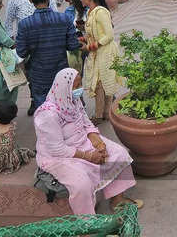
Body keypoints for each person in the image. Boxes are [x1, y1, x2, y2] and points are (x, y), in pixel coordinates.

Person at [34, 68, 141, 215]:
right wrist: (89, 156)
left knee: (119, 154)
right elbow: (56, 149)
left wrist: (97, 142)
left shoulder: (73, 101)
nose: (80, 89)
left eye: (79, 84)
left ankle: (118, 200)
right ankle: (87, 224)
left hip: (82, 141)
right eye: (76, 86)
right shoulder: (47, 114)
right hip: (58, 157)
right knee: (81, 183)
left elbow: (86, 123)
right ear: (65, 88)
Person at [16, 0, 81, 114]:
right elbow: (73, 46)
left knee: (45, 111)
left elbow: (21, 52)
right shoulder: (64, 19)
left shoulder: (25, 24)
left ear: (30, 0)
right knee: (64, 107)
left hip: (38, 75)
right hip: (61, 72)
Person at [79, 0, 122, 123]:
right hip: (97, 52)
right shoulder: (91, 12)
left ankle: (101, 115)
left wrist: (91, 46)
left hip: (105, 51)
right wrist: (83, 39)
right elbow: (95, 33)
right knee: (101, 82)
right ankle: (105, 113)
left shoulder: (101, 12)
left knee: (102, 83)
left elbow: (109, 35)